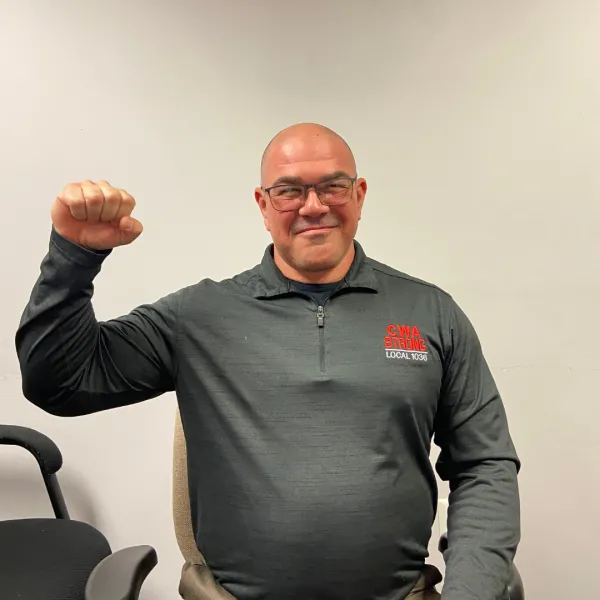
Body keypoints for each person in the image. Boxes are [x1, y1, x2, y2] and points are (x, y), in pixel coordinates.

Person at [15, 123, 521, 600]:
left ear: (360, 195)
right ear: (263, 204)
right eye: (290, 190)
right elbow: (60, 384)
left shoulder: (431, 312)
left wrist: (471, 590)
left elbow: (485, 462)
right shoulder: (197, 315)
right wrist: (73, 257)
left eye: (333, 187)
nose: (313, 206)